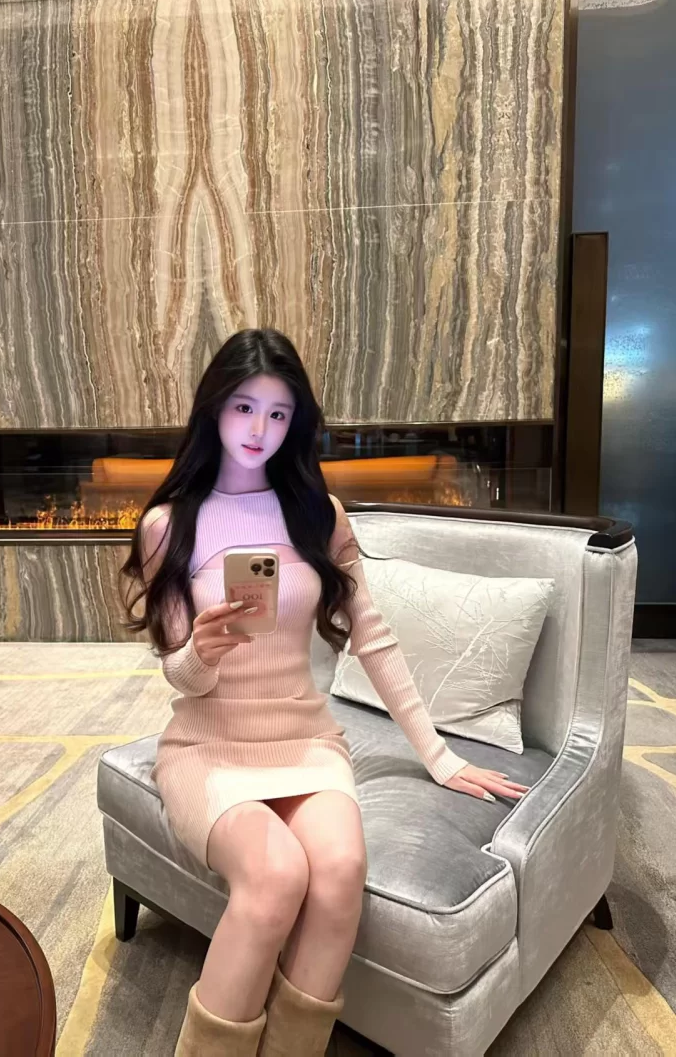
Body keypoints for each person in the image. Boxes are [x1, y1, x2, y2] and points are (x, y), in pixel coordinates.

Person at [121, 328, 528, 1057]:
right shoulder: (167, 526)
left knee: (339, 872)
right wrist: (199, 653)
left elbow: (374, 639)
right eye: (244, 407)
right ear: (214, 408)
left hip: (305, 739)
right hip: (209, 746)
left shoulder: (319, 515)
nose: (259, 429)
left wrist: (439, 756)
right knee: (276, 875)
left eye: (279, 414)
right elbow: (178, 674)